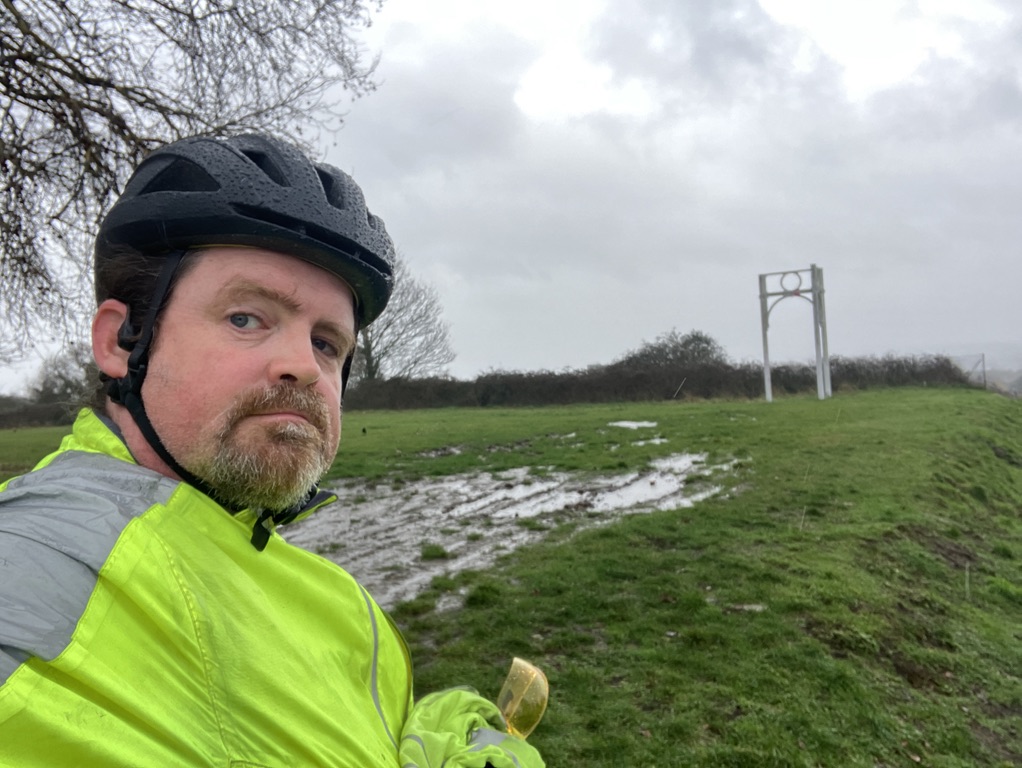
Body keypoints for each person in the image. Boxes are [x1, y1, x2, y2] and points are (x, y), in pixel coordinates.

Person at [0, 134, 544, 768]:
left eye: (326, 343)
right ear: (122, 343)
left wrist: (441, 739)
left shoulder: (303, 577)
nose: (304, 368)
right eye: (246, 318)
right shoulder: (39, 567)